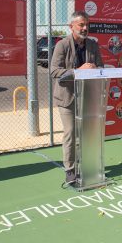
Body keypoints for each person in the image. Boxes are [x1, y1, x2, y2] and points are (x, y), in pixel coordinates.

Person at [51, 11, 104, 184]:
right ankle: (70, 170)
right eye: (81, 25)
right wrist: (78, 71)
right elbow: (54, 71)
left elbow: (101, 66)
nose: (85, 28)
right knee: (71, 133)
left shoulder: (93, 45)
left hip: (87, 96)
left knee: (86, 133)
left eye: (87, 24)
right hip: (67, 97)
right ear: (71, 26)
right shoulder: (62, 45)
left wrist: (95, 68)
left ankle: (86, 165)